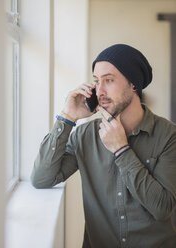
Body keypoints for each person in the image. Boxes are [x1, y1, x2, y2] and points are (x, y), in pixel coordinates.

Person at [31, 44, 176, 247]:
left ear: (133, 84)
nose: (99, 91)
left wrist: (121, 150)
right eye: (96, 81)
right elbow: (41, 179)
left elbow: (162, 208)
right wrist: (67, 117)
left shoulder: (169, 135)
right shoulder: (85, 135)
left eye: (108, 80)